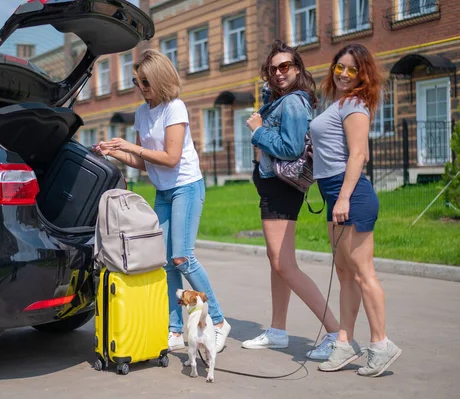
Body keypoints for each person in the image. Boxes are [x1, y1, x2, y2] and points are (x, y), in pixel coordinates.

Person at [92, 49, 231, 352]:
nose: (141, 88)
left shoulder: (175, 108)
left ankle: (219, 321)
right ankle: (175, 330)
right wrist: (113, 151)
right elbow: (144, 162)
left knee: (183, 257)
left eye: (145, 82)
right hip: (163, 191)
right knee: (166, 263)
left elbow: (170, 158)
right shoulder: (143, 112)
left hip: (186, 187)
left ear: (159, 79)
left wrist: (131, 146)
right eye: (136, 82)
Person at [242, 40, 340, 360]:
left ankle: (336, 333)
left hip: (282, 189)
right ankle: (278, 330)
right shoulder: (278, 101)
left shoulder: (294, 102)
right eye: (273, 69)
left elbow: (290, 147)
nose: (278, 73)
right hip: (274, 187)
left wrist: (258, 131)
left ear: (296, 69)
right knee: (278, 263)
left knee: (285, 264)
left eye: (285, 67)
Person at [310, 43, 402, 376]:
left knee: (363, 274)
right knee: (345, 274)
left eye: (353, 69)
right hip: (335, 193)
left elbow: (358, 155)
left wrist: (345, 198)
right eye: (340, 67)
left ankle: (381, 345)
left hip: (351, 195)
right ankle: (345, 343)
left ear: (362, 74)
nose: (345, 74)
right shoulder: (338, 103)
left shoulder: (355, 105)